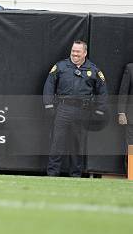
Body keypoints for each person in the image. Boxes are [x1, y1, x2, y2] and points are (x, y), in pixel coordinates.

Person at [43, 40, 108, 177]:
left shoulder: (93, 69)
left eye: (78, 51)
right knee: (57, 143)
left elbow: (102, 91)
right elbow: (49, 85)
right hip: (63, 109)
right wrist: (48, 104)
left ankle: (76, 175)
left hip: (82, 112)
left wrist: (99, 110)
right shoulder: (61, 66)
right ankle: (52, 174)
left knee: (77, 145)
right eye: (73, 51)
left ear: (85, 53)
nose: (75, 54)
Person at [117, 62, 133, 180]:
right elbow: (123, 92)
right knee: (131, 147)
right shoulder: (130, 68)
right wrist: (121, 112)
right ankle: (131, 174)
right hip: (131, 118)